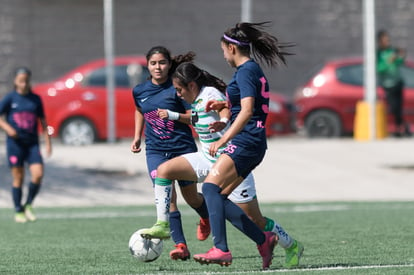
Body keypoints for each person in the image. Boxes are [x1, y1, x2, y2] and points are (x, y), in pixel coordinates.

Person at [144, 61, 302, 268]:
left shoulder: (210, 94)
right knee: (164, 171)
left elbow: (226, 109)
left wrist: (224, 120)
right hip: (207, 158)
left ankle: (291, 245)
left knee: (255, 219)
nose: (178, 95)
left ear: (191, 85)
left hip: (229, 161)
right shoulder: (196, 99)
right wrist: (173, 116)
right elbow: (197, 117)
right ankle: (163, 224)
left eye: (180, 90)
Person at [192, 22, 303, 270]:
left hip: (247, 141)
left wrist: (224, 139)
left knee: (209, 189)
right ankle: (263, 239)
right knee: (217, 197)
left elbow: (248, 110)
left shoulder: (246, 71)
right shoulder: (250, 70)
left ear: (232, 48)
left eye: (223, 50)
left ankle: (221, 249)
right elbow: (243, 110)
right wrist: (222, 112)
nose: (222, 55)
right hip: (252, 142)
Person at [131, 46, 209, 261]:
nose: (158, 67)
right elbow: (139, 110)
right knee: (168, 200)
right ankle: (181, 246)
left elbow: (193, 116)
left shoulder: (177, 87)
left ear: (169, 64)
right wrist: (138, 135)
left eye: (162, 62)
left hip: (182, 149)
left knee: (192, 198)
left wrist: (173, 115)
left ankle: (206, 218)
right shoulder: (140, 90)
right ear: (147, 65)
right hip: (155, 151)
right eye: (154, 63)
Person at [0, 67, 52, 223]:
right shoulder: (10, 99)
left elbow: (43, 121)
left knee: (38, 174)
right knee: (18, 178)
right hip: (15, 144)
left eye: (26, 80)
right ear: (16, 81)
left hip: (32, 144)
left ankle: (28, 204)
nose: (23, 84)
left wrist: (48, 142)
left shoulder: (35, 99)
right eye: (21, 81)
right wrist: (8, 128)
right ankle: (18, 210)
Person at [377, 29, 411, 137]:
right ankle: (401, 127)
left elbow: (400, 62)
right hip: (388, 85)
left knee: (399, 108)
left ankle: (399, 129)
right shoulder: (378, 54)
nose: (388, 41)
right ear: (380, 41)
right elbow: (379, 68)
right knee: (393, 107)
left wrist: (401, 56)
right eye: (385, 39)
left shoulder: (391, 51)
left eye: (388, 39)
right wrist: (388, 62)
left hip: (397, 83)